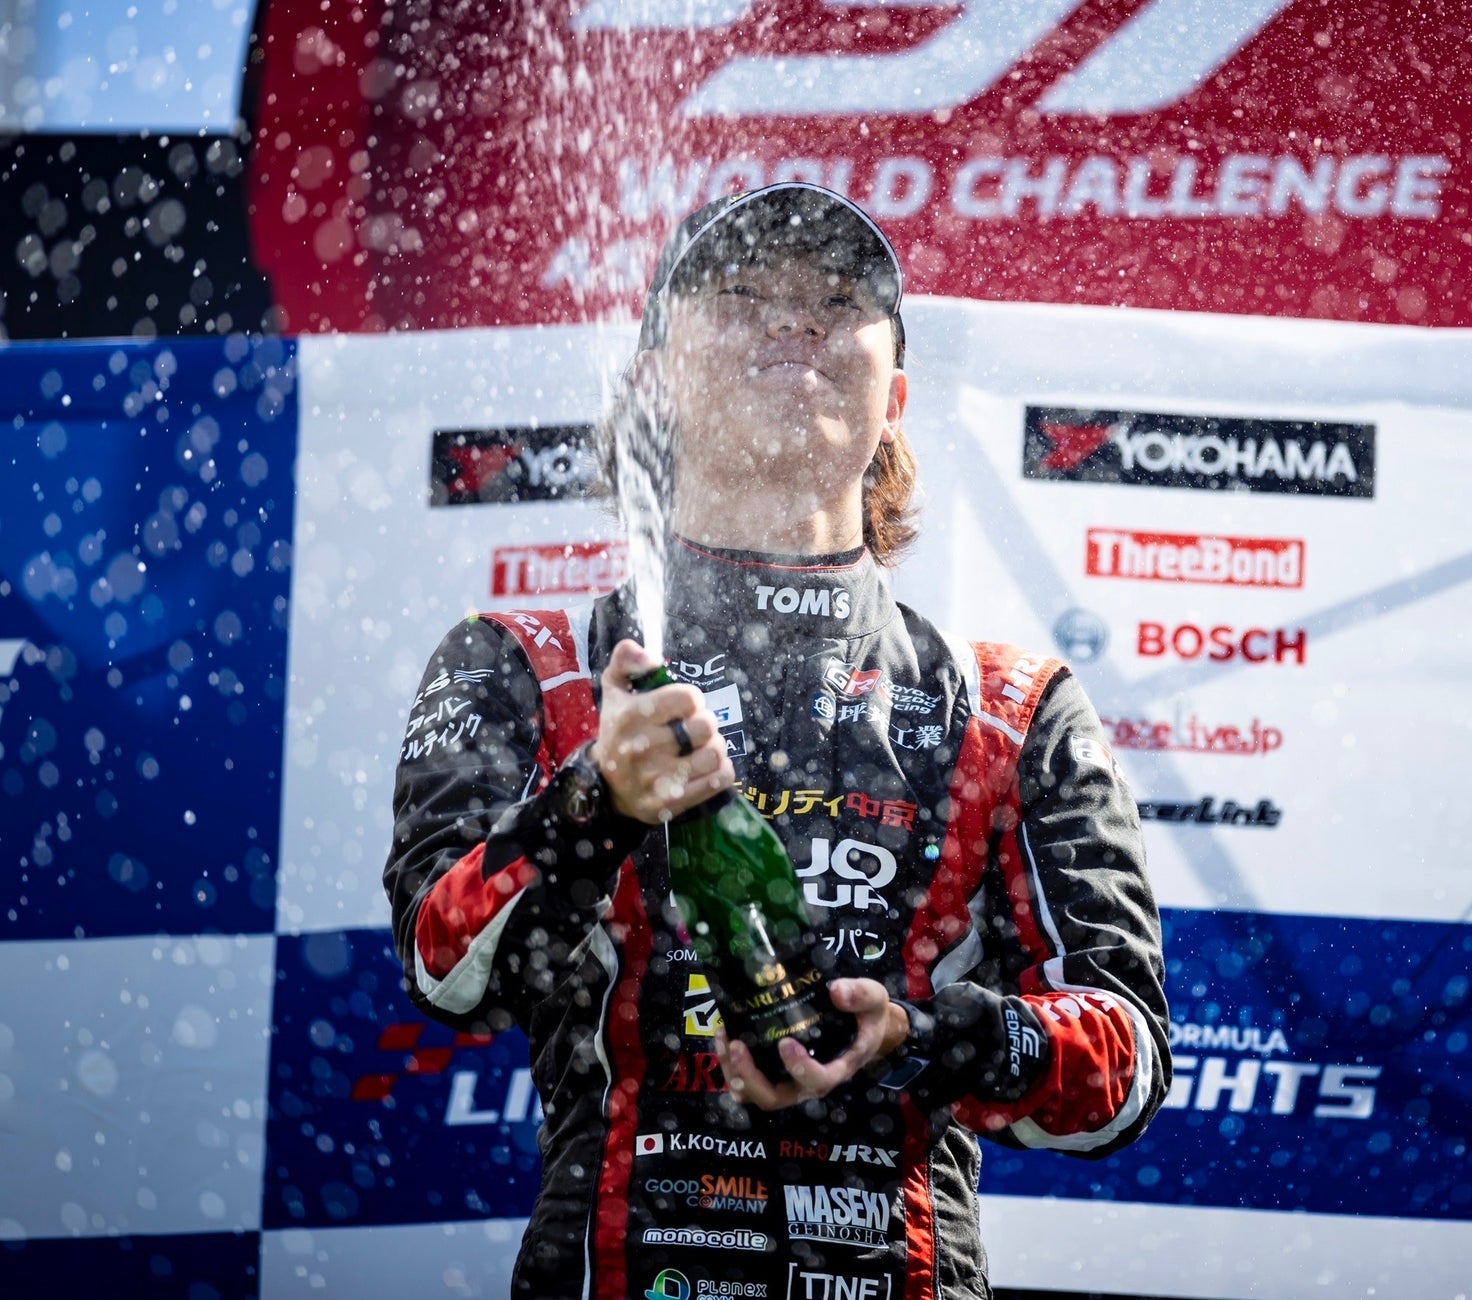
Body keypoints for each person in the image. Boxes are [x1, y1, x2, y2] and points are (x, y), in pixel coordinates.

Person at [385, 182, 1169, 1300]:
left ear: (895, 398)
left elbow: (1126, 1069)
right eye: (743, 294)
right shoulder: (530, 661)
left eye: (838, 301)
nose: (795, 321)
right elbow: (443, 970)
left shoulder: (1012, 706)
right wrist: (596, 804)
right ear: (655, 383)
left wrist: (918, 1039)